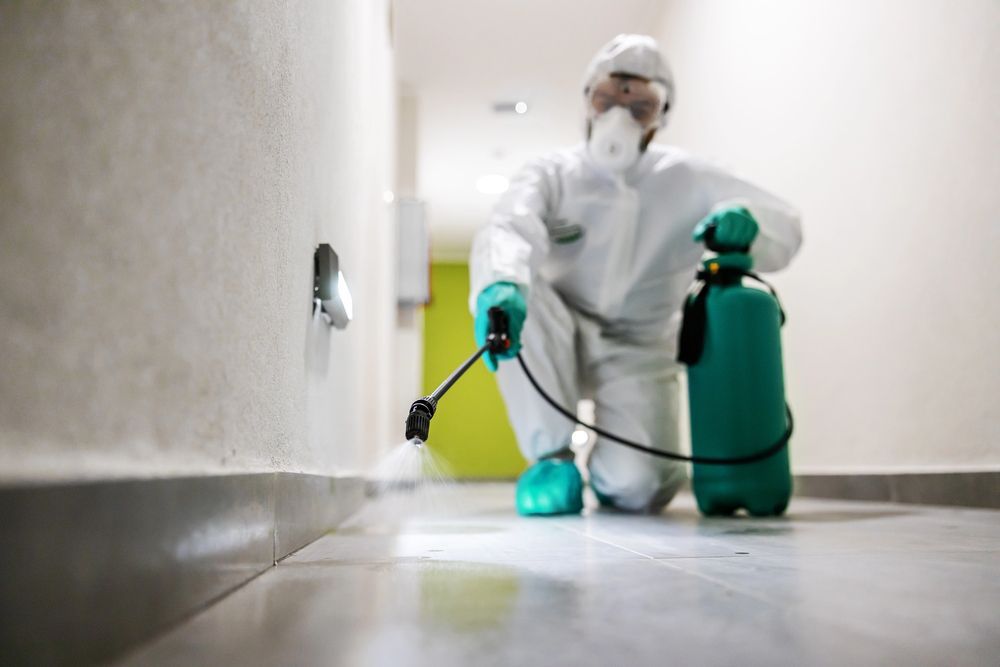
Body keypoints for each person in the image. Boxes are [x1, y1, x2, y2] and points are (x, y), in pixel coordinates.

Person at [468, 34, 802, 516]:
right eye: (606, 98)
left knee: (640, 489)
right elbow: (508, 226)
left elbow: (786, 226)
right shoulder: (552, 173)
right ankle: (551, 459)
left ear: (661, 115)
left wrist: (747, 223)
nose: (618, 116)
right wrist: (502, 281)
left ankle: (612, 471)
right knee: (509, 289)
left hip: (638, 346)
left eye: (639, 104)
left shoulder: (687, 176)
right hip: (554, 330)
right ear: (587, 101)